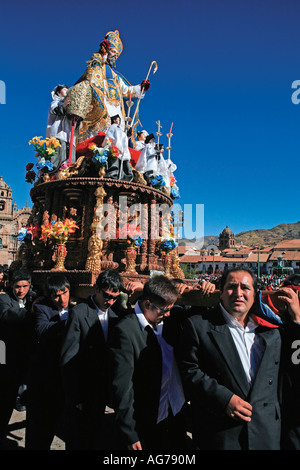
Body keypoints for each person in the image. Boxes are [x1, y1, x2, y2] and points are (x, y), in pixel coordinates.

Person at [177, 267, 282, 450]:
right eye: (232, 287)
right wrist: (225, 399)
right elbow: (188, 370)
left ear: (255, 293)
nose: (238, 293)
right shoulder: (199, 326)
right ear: (221, 292)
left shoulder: (271, 330)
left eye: (245, 288)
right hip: (221, 431)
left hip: (265, 431)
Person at [108, 275, 188, 450]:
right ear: (147, 304)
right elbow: (123, 388)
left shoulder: (169, 321)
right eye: (164, 310)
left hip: (174, 412)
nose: (168, 314)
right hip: (146, 421)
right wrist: (130, 432)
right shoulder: (126, 331)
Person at [60, 269, 125, 450]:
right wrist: (76, 396)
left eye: (115, 297)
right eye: (107, 295)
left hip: (102, 391)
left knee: (96, 437)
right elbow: (69, 358)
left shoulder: (115, 316)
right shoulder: (79, 313)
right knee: (78, 439)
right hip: (84, 391)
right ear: (96, 289)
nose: (110, 301)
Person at [25, 274, 73, 450]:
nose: (62, 299)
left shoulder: (75, 308)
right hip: (43, 379)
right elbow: (43, 329)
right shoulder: (41, 308)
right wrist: (70, 321)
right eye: (56, 296)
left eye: (65, 293)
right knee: (39, 429)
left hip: (63, 380)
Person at [76, 30, 150, 142]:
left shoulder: (116, 76)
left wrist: (141, 88)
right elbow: (92, 76)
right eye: (113, 52)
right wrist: (103, 53)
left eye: (116, 54)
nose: (115, 56)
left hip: (116, 108)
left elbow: (126, 90)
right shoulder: (98, 64)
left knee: (116, 137)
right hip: (102, 103)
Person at [0, 268, 36, 448]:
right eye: (17, 286)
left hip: (26, 358)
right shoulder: (4, 299)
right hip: (6, 356)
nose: (21, 290)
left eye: (24, 286)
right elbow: (7, 315)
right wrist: (32, 313)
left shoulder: (33, 298)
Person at [46, 84, 77, 172]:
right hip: (58, 134)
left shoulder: (71, 107)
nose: (67, 91)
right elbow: (56, 111)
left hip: (70, 136)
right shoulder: (55, 103)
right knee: (59, 154)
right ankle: (55, 173)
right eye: (64, 89)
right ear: (58, 93)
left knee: (71, 158)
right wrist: (63, 106)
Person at [104, 114, 133, 181]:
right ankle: (112, 176)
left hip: (123, 150)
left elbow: (124, 139)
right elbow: (109, 137)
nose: (119, 121)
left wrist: (128, 133)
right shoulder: (113, 127)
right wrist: (113, 144)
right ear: (114, 120)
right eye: (118, 119)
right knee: (115, 163)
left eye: (120, 120)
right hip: (115, 148)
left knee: (125, 164)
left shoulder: (120, 129)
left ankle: (126, 178)